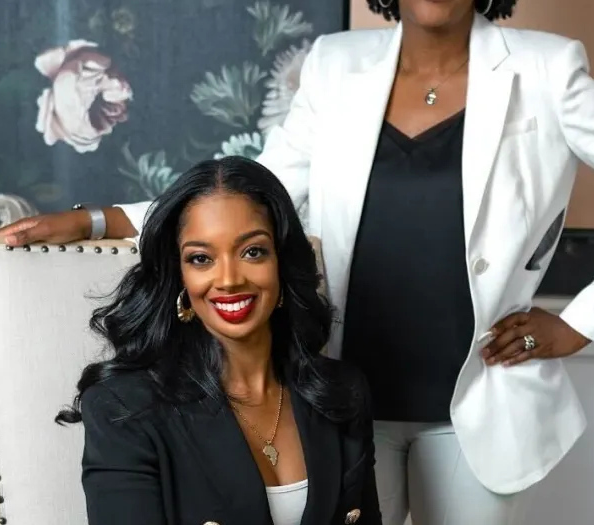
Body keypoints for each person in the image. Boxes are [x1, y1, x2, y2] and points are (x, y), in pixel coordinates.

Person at [2, 0, 594, 525]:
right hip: (340, 401)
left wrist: (581, 323)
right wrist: (97, 220)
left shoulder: (545, 71)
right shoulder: (336, 66)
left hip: (477, 412)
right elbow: (254, 192)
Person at [54, 157, 381, 525]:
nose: (228, 280)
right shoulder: (124, 409)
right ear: (180, 275)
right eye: (201, 258)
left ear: (282, 262)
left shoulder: (341, 392)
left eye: (252, 252)